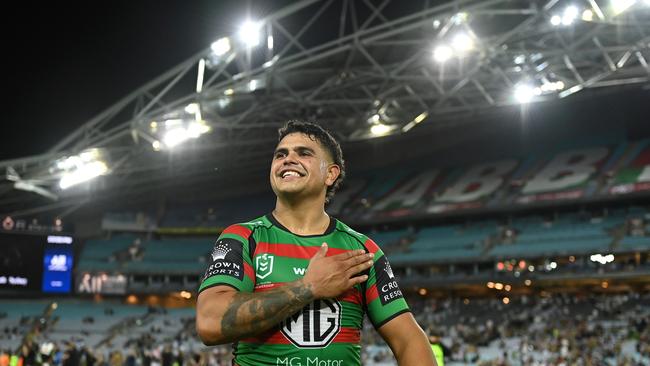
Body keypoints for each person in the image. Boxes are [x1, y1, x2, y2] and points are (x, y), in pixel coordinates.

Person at [196, 120, 436, 366]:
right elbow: (209, 323)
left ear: (330, 174)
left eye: (304, 153)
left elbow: (409, 341)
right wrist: (307, 287)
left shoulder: (363, 251)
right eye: (281, 154)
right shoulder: (243, 238)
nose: (287, 159)